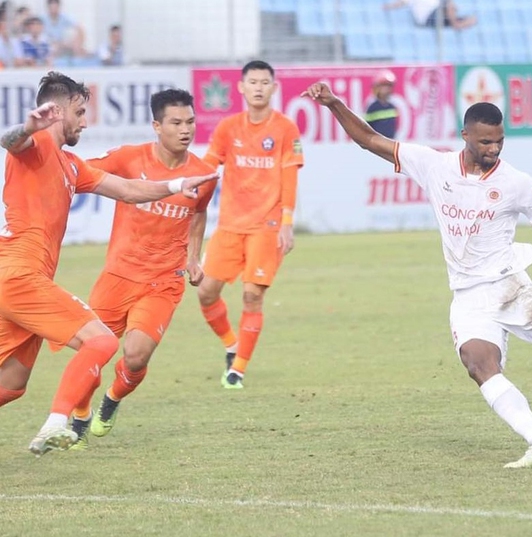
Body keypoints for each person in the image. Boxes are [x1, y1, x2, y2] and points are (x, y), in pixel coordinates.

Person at [301, 83, 532, 468]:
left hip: (512, 288)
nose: (494, 149)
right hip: (468, 296)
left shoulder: (516, 182)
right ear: (465, 136)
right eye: (485, 142)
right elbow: (369, 140)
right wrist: (334, 104)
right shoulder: (434, 165)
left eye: (500, 141)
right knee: (479, 365)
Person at [0, 71, 216, 456]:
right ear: (57, 111)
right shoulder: (38, 145)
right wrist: (29, 126)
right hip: (19, 274)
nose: (85, 122)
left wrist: (174, 186)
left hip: (23, 281)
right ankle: (57, 423)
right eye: (80, 112)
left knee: (12, 383)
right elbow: (11, 141)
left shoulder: (71, 165)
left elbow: (129, 190)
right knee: (100, 341)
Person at [61, 89, 217, 449]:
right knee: (91, 352)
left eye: (190, 122)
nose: (185, 129)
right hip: (118, 275)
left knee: (135, 356)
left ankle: (112, 399)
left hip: (163, 281)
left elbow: (199, 213)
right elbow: (79, 171)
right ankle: (80, 414)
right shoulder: (130, 158)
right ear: (156, 126)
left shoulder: (203, 174)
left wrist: (194, 257)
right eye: (176, 122)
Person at [197, 60, 304, 389]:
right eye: (253, 82)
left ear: (274, 88)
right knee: (205, 292)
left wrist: (287, 222)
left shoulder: (285, 128)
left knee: (251, 295)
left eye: (264, 82)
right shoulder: (228, 128)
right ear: (241, 88)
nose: (259, 87)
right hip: (230, 225)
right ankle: (232, 345)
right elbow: (209, 164)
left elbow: (290, 175)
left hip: (266, 226)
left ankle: (237, 370)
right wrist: (185, 181)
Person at [383, 0, 477, 30]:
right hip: (428, 17)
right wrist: (388, 6)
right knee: (449, 4)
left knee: (473, 19)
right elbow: (401, 3)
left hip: (439, 15)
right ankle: (456, 24)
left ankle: (456, 23)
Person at [364, 70, 399, 139]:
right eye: (383, 86)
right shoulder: (373, 107)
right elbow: (367, 127)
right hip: (377, 142)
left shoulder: (392, 107)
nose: (386, 89)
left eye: (389, 86)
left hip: (390, 141)